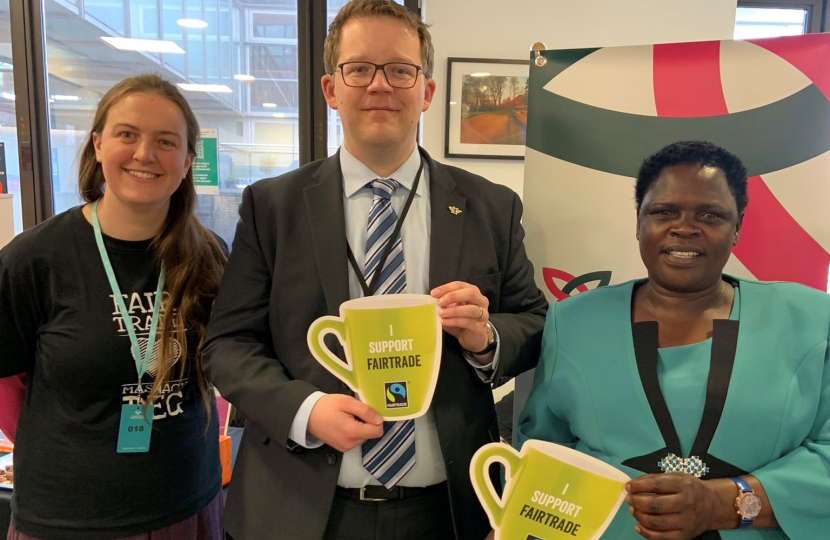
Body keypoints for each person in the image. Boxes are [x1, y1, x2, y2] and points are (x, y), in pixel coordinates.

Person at [200, 1, 548, 539]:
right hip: (299, 507)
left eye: (400, 69)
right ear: (330, 89)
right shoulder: (272, 207)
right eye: (359, 68)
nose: (379, 85)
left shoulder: (490, 207)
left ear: (427, 91)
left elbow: (534, 322)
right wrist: (306, 410)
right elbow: (226, 345)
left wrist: (486, 337)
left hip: (447, 511)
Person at [518, 141, 830, 540]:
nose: (684, 227)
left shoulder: (809, 319)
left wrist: (723, 503)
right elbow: (545, 449)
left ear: (737, 228)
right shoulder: (573, 320)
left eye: (711, 215)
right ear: (638, 222)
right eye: (664, 212)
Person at [0, 74, 227, 540]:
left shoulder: (209, 255)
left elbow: (219, 372)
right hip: (70, 517)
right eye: (127, 134)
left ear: (187, 162)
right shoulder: (35, 259)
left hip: (187, 504)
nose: (144, 154)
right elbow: (5, 384)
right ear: (98, 145)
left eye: (166, 141)